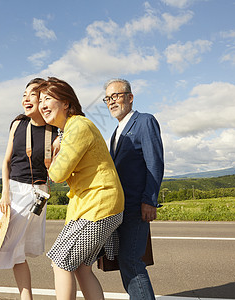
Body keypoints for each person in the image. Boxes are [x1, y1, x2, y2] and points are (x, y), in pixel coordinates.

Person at [0, 78, 58, 300]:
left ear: (43, 99)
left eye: (32, 94)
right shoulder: (17, 124)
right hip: (13, 191)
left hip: (36, 194)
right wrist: (5, 192)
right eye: (23, 94)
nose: (26, 98)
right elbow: (6, 161)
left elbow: (57, 172)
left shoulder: (54, 132)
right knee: (12, 252)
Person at [36, 77, 124, 300]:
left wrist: (55, 151)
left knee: (60, 262)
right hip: (94, 206)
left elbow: (57, 174)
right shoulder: (69, 130)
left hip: (98, 206)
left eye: (48, 98)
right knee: (81, 268)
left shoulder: (78, 126)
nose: (42, 105)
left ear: (66, 102)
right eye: (40, 100)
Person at [103, 78, 164, 299]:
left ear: (130, 97)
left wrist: (149, 199)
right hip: (121, 207)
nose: (111, 102)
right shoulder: (116, 132)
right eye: (108, 98)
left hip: (137, 206)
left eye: (116, 96)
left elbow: (154, 163)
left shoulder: (144, 121)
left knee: (131, 260)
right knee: (126, 261)